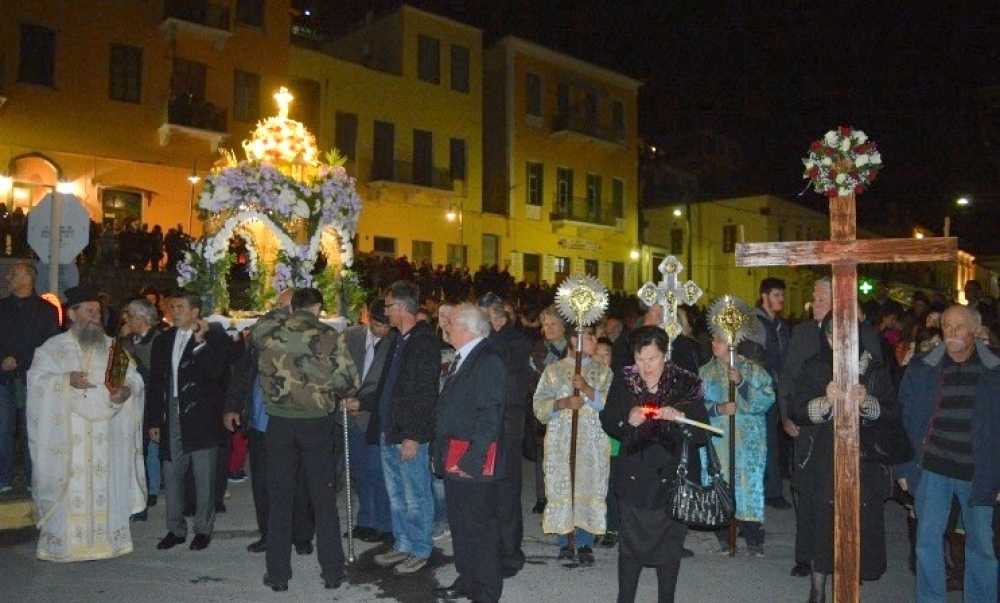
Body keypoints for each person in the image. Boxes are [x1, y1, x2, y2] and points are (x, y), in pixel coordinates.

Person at [250, 287, 358, 591]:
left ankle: (278, 575)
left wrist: (279, 312)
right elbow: (348, 381)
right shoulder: (329, 335)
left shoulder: (269, 332)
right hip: (316, 424)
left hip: (280, 422)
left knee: (280, 499)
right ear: (318, 307)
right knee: (323, 499)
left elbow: (254, 335)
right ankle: (333, 572)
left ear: (291, 307)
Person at [27, 285, 146, 561]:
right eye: (89, 310)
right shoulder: (52, 349)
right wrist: (65, 380)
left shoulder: (113, 348)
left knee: (106, 484)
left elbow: (134, 379)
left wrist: (126, 391)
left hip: (107, 434)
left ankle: (106, 543)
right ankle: (67, 545)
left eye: (98, 311)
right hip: (69, 438)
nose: (96, 316)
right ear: (72, 313)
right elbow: (36, 381)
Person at [787, 315, 897, 603]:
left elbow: (891, 412)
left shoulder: (872, 367)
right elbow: (797, 410)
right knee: (821, 527)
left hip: (863, 461)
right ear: (825, 338)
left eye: (848, 334)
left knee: (857, 528)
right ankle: (818, 589)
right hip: (822, 460)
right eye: (835, 335)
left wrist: (867, 402)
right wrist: (824, 402)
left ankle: (850, 588)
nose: (842, 341)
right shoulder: (814, 366)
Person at [898, 304, 1000, 603]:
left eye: (959, 327)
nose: (951, 333)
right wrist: (904, 468)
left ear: (977, 331)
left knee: (982, 545)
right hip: (932, 468)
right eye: (947, 327)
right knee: (927, 542)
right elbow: (905, 421)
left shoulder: (994, 371)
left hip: (978, 471)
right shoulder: (923, 367)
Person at [600, 326, 709, 603]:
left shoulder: (685, 383)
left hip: (671, 479)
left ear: (665, 355)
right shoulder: (625, 381)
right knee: (630, 548)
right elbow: (609, 421)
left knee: (669, 551)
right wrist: (628, 418)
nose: (645, 367)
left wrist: (681, 418)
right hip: (634, 478)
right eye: (640, 360)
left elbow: (702, 433)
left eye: (652, 359)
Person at [347, 280, 441, 575]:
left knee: (416, 495)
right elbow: (389, 388)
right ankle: (402, 543)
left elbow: (425, 394)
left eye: (388, 307)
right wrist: (363, 404)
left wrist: (414, 435)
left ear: (401, 307)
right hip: (389, 429)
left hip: (407, 434)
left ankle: (421, 547)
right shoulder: (398, 340)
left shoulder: (423, 342)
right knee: (397, 495)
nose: (385, 313)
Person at [430, 303, 507, 603]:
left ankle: (486, 591)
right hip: (454, 454)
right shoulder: (466, 356)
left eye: (449, 323)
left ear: (464, 328)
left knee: (480, 527)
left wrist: (472, 460)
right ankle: (468, 579)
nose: (445, 327)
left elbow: (491, 416)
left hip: (471, 458)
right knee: (461, 525)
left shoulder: (487, 359)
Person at [147, 290, 233, 552]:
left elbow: (218, 374)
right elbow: (156, 383)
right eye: (172, 307)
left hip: (202, 414)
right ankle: (175, 528)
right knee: (172, 473)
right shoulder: (163, 340)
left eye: (181, 307)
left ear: (195, 312)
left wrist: (200, 343)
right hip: (172, 412)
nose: (175, 312)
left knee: (203, 475)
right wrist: (153, 419)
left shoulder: (214, 335)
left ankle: (203, 529)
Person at [533, 325, 612, 566]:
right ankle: (564, 540)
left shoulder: (603, 372)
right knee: (563, 488)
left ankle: (585, 541)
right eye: (588, 337)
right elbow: (539, 405)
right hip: (561, 441)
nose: (593, 340)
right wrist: (563, 403)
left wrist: (588, 389)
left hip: (592, 443)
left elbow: (610, 404)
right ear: (574, 339)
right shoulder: (553, 371)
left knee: (587, 487)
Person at [699, 334, 774, 555]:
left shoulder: (752, 369)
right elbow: (694, 403)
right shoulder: (705, 372)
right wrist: (718, 409)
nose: (713, 344)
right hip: (719, 438)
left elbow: (768, 398)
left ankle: (753, 536)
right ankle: (723, 534)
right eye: (712, 339)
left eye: (719, 340)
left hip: (747, 440)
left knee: (747, 487)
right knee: (719, 483)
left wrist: (741, 384)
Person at [477, 292, 533, 578]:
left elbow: (508, 385)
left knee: (507, 491)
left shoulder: (516, 343)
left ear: (496, 318)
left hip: (507, 425)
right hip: (489, 424)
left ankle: (511, 552)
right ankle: (492, 546)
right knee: (488, 491)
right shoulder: (489, 342)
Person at [0, 261, 60, 492]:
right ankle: (3, 478)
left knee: (32, 431)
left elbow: (49, 345)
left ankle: (32, 478)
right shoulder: (2, 307)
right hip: (4, 380)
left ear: (27, 278)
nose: (8, 278)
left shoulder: (46, 310)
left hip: (34, 381)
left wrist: (22, 362)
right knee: (3, 430)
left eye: (13, 274)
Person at [343, 299, 395, 543]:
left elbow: (389, 385)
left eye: (386, 326)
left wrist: (362, 403)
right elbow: (336, 371)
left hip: (374, 417)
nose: (381, 331)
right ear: (366, 318)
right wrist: (344, 398)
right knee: (359, 470)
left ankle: (385, 524)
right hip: (348, 415)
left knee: (378, 471)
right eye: (376, 325)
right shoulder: (349, 337)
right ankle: (365, 521)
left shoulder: (393, 343)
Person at [745, 277, 792, 510]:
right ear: (765, 296)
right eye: (776, 295)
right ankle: (767, 491)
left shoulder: (781, 325)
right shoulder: (754, 324)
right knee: (765, 441)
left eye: (782, 295)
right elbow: (754, 358)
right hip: (760, 391)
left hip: (778, 389)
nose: (781, 300)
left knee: (774, 440)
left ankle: (771, 488)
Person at [119, 298, 167, 519]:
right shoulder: (130, 338)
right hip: (132, 400)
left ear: (140, 318)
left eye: (129, 315)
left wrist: (133, 355)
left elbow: (153, 373)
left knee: (149, 448)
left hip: (151, 400)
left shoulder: (158, 339)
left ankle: (151, 491)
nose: (125, 319)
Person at [527, 305, 569, 514]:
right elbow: (534, 378)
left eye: (553, 324)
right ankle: (542, 496)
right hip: (546, 407)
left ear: (563, 326)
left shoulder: (572, 348)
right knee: (543, 452)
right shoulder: (538, 350)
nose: (549, 328)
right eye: (545, 324)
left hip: (570, 407)